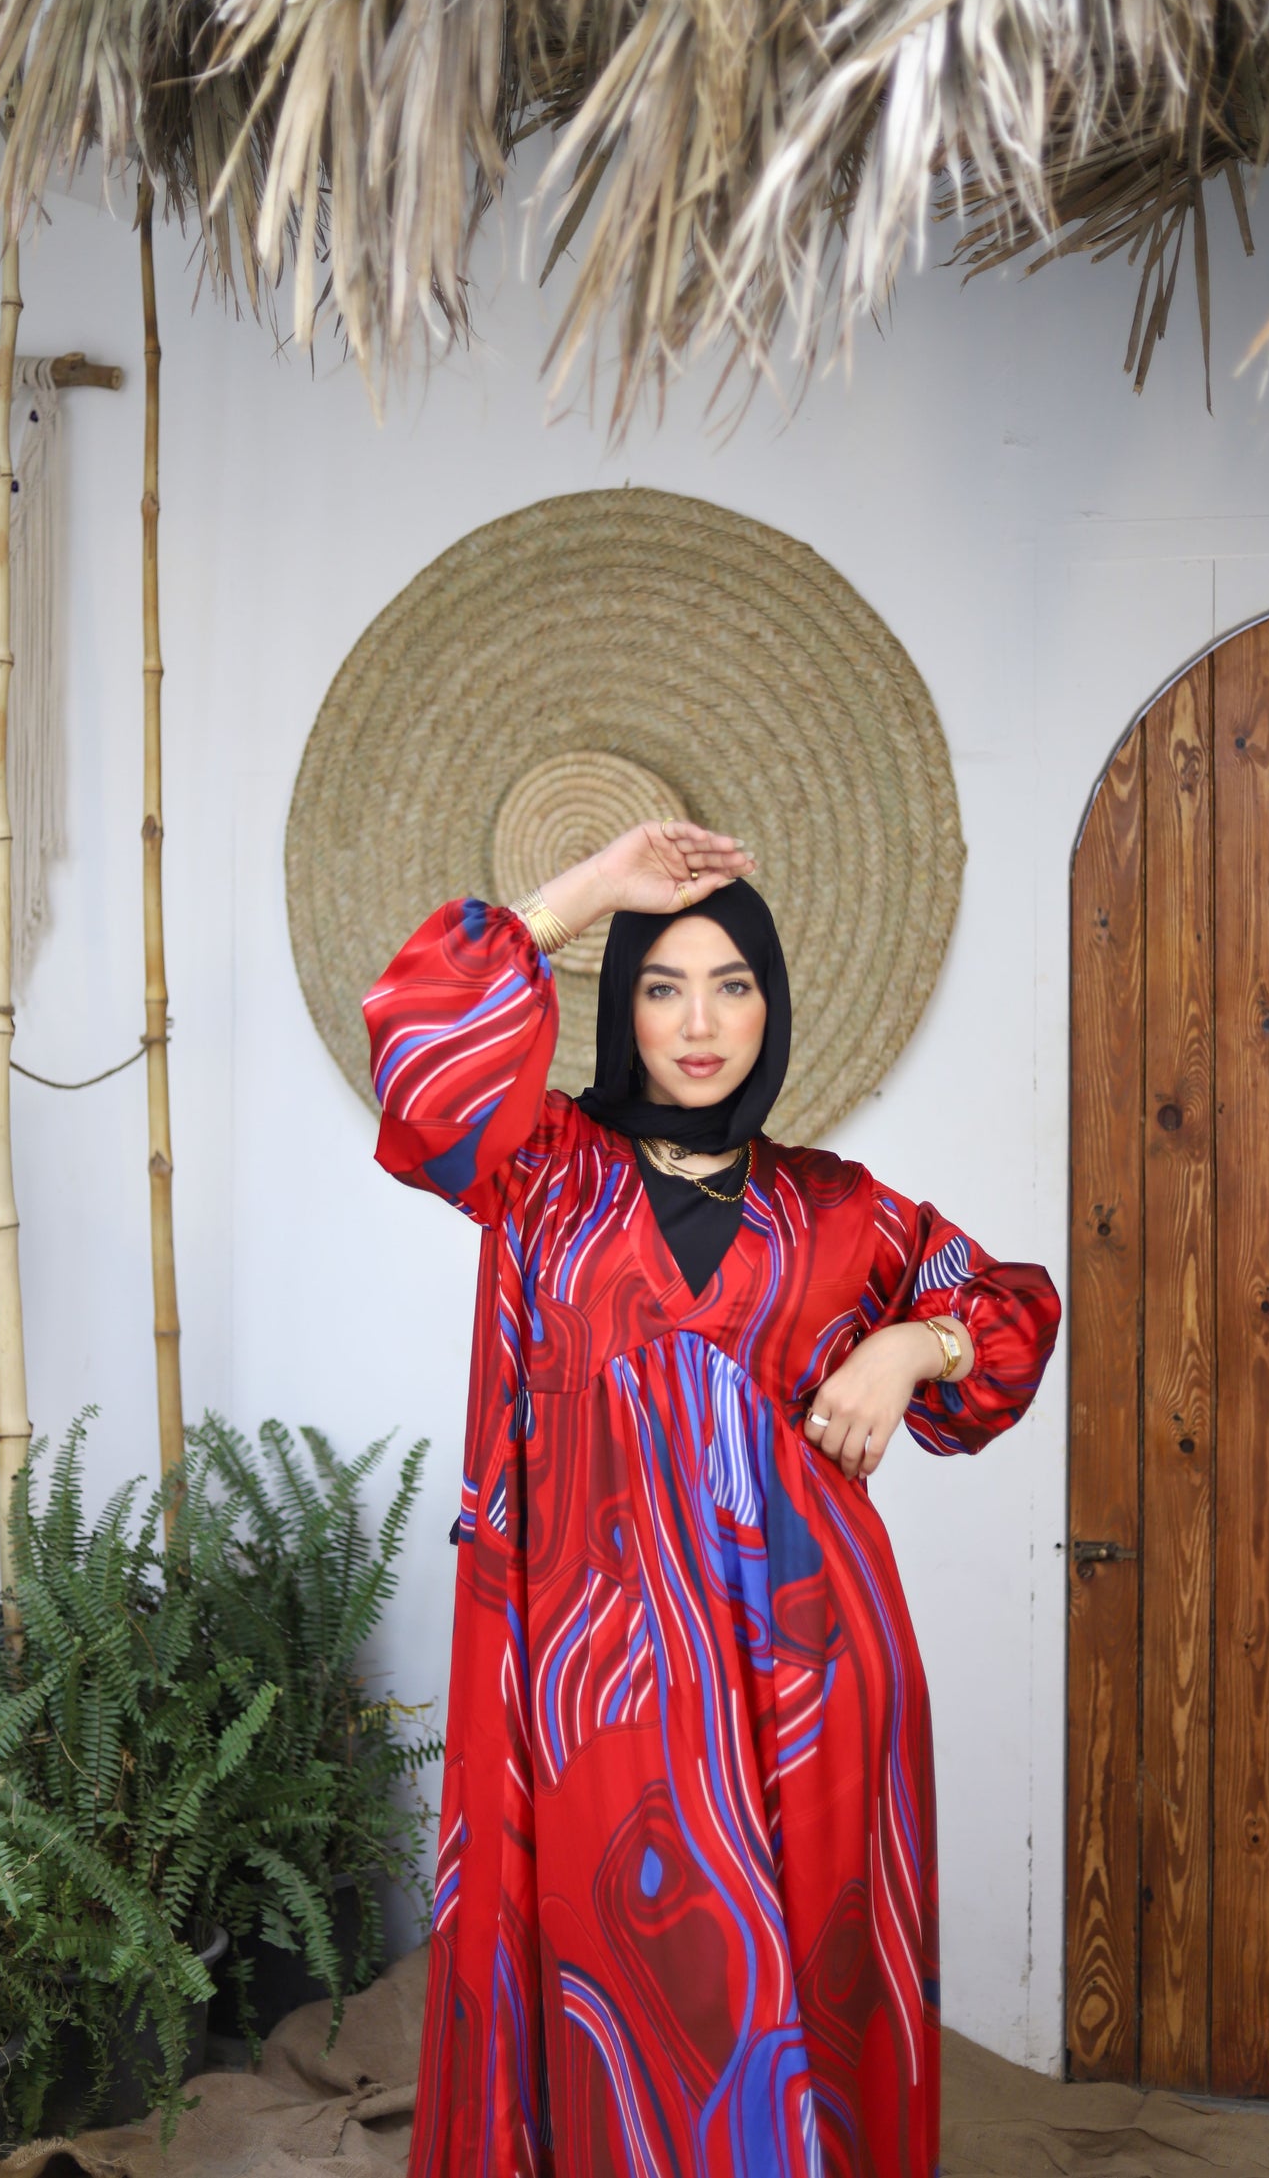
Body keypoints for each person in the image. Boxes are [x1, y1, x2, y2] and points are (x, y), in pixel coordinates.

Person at [364, 819, 1060, 2178]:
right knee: (626, 1989)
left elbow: (1009, 1310)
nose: (699, 1021)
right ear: (620, 1009)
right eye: (663, 984)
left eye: (732, 984)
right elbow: (421, 1068)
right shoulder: (541, 1170)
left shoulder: (840, 1209)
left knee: (798, 1986)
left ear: (774, 1008)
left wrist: (915, 1341)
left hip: (808, 1684)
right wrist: (579, 897)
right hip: (590, 1683)